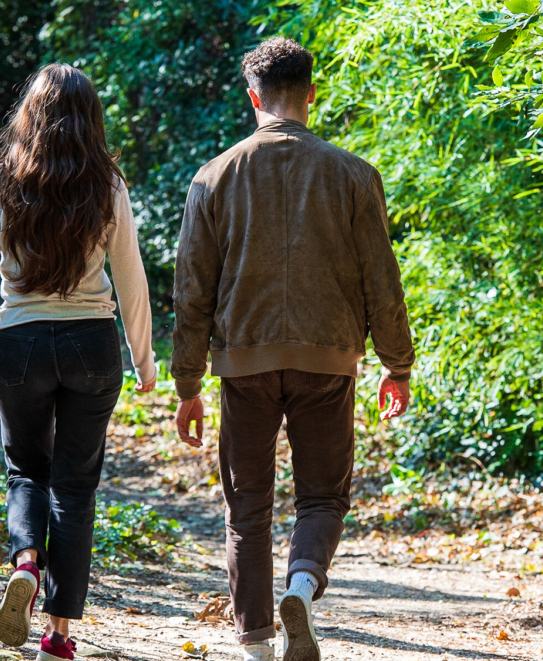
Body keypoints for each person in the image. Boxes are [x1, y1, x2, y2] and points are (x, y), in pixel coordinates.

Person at [171, 37, 415, 661]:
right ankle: (301, 590)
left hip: (243, 360)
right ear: (311, 93)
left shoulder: (213, 177)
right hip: (326, 360)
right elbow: (380, 280)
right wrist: (397, 364)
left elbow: (192, 291)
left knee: (246, 505)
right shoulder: (355, 175)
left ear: (252, 97)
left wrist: (188, 384)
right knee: (323, 497)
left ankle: (254, 643)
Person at [0, 64, 156, 661]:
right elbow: (132, 278)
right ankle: (59, 635)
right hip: (91, 343)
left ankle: (25, 565)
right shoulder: (107, 186)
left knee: (26, 470)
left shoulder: (0, 181)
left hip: (20, 342)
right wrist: (145, 361)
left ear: (29, 116)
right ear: (91, 121)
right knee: (76, 484)